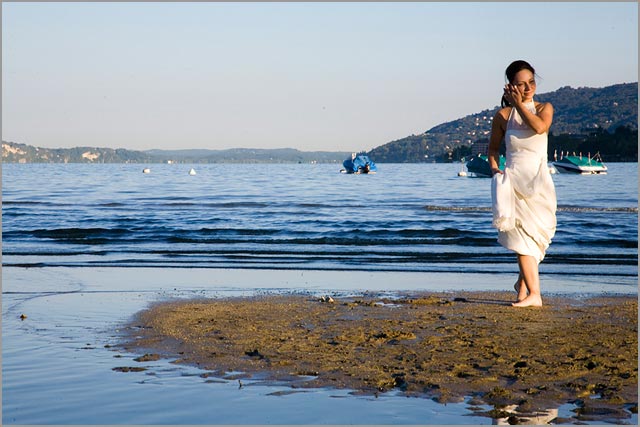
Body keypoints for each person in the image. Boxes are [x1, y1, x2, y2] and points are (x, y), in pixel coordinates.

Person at [488, 60, 557, 307]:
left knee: (536, 237)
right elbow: (493, 150)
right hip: (513, 184)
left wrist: (519, 104)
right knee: (521, 240)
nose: (528, 88)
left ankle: (522, 287)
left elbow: (539, 127)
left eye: (531, 82)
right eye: (521, 84)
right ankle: (534, 296)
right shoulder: (503, 116)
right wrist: (495, 172)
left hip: (539, 183)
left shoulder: (544, 108)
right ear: (510, 87)